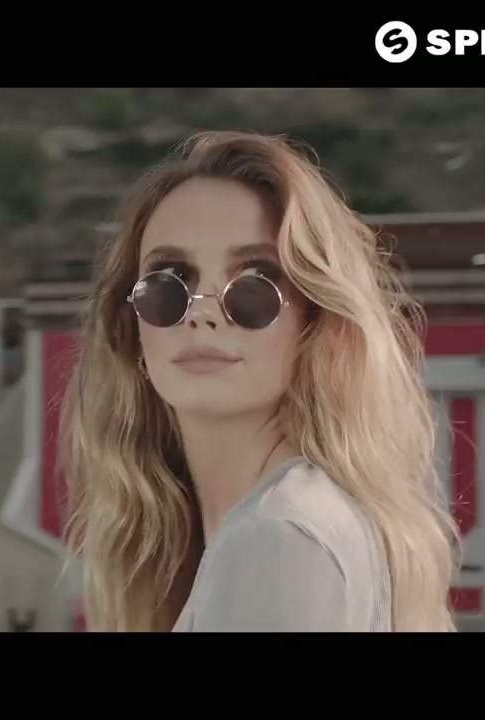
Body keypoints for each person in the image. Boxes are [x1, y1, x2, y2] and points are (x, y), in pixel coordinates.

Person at [58, 130, 460, 632]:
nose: (202, 313)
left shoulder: (281, 536)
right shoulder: (274, 526)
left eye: (254, 284)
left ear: (314, 321)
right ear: (132, 326)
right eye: (168, 281)